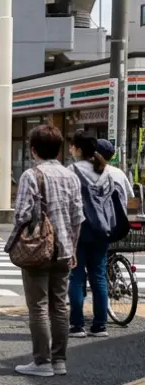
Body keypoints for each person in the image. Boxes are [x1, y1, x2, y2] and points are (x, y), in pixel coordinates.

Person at [13, 125, 84, 377]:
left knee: (39, 306)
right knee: (59, 306)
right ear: (59, 149)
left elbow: (21, 215)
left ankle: (42, 362)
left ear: (33, 150)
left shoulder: (31, 176)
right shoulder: (71, 176)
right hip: (65, 249)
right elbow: (78, 218)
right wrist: (73, 248)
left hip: (38, 249)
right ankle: (59, 360)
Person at [67, 130, 118, 338]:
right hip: (103, 230)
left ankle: (77, 325)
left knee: (77, 277)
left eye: (72, 146)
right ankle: (100, 325)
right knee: (99, 277)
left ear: (78, 149)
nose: (70, 149)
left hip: (80, 230)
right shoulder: (106, 171)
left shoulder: (73, 170)